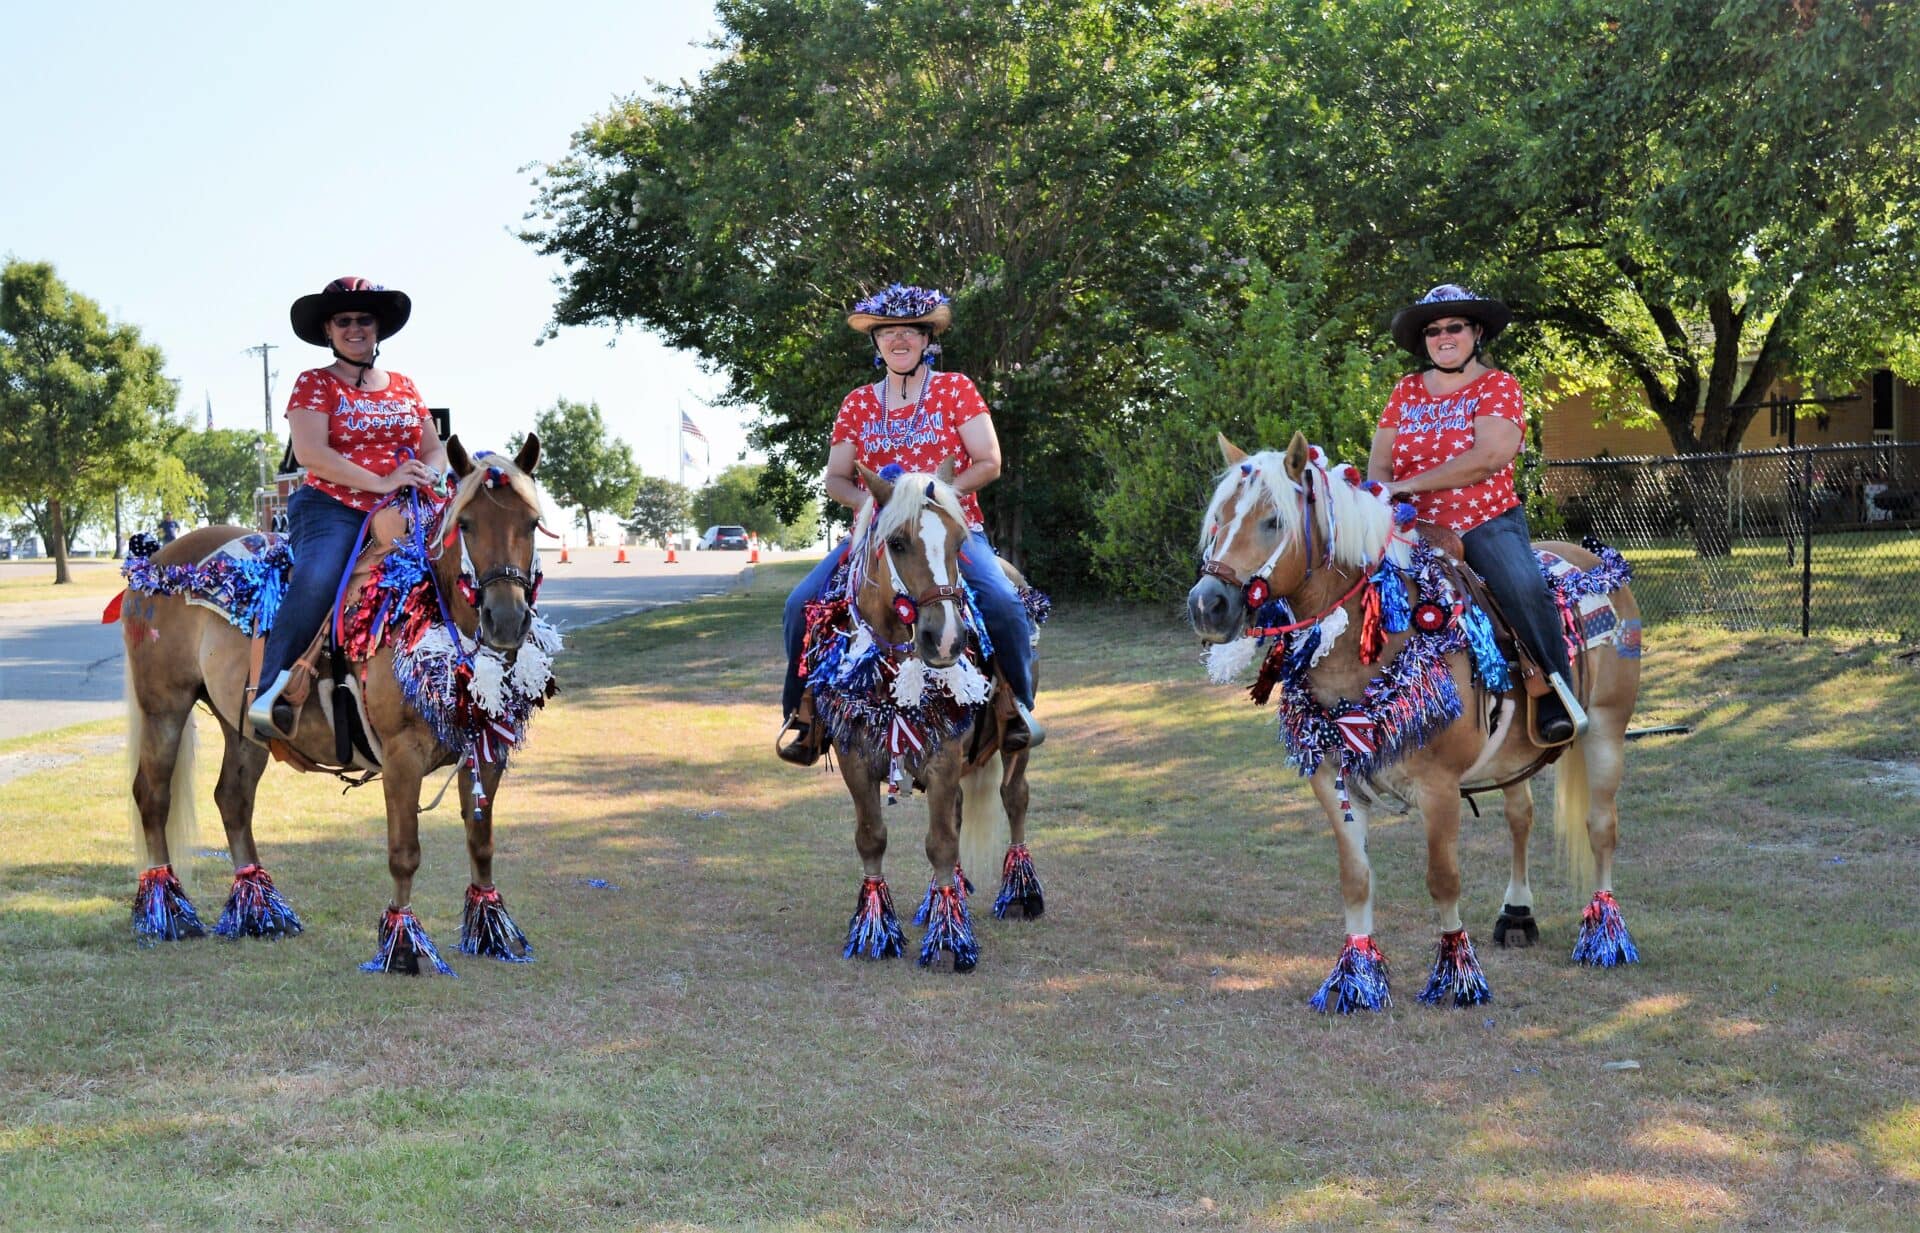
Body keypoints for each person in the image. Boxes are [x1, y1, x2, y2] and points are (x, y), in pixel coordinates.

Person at [777, 284, 1041, 764]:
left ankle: (1015, 707)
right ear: (876, 344)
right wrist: (873, 506)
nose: (899, 340)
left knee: (1002, 601)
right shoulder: (857, 403)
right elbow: (836, 478)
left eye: (910, 333)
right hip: (878, 535)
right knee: (800, 603)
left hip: (950, 533)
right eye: (888, 333)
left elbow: (989, 461)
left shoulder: (956, 390)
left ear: (927, 340)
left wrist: (937, 500)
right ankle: (804, 717)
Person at [1370, 284, 1583, 745]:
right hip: (1410, 525)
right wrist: (1388, 494)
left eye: (1455, 327)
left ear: (1476, 332)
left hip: (1482, 520)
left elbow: (1488, 456)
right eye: (1433, 330)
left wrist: (1407, 484)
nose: (1443, 337)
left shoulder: (1497, 386)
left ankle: (1554, 693)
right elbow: (1381, 465)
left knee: (1523, 588)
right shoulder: (1405, 391)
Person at [246, 277, 447, 740]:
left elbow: (434, 449)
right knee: (317, 578)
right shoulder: (314, 385)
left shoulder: (405, 386)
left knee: (468, 562)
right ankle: (270, 691)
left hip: (405, 505)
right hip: (332, 506)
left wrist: (429, 475)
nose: (354, 328)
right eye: (344, 321)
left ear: (378, 329)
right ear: (329, 331)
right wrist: (380, 481)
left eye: (364, 320)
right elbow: (312, 453)